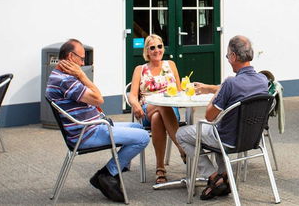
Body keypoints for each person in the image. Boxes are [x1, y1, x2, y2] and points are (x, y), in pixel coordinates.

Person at [46, 39, 150, 203]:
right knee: (143, 137)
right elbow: (98, 99)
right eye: (81, 58)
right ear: (70, 57)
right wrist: (82, 75)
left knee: (136, 127)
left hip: (90, 126)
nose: (82, 62)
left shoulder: (58, 75)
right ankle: (108, 174)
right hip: (86, 133)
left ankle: (115, 172)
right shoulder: (66, 80)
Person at [176, 35, 268, 200]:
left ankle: (212, 176)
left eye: (227, 56)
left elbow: (209, 116)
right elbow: (241, 88)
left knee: (181, 134)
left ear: (233, 56)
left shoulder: (230, 83)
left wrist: (217, 93)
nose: (227, 59)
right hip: (252, 139)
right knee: (217, 130)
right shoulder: (262, 80)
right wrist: (212, 88)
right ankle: (224, 175)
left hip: (226, 139)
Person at [127, 34, 187, 184]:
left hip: (170, 110)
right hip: (147, 109)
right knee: (159, 106)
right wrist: (135, 105)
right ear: (147, 51)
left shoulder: (171, 65)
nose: (156, 50)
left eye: (159, 46)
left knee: (158, 117)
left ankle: (160, 168)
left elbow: (179, 91)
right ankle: (182, 148)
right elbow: (132, 95)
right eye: (152, 47)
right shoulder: (139, 69)